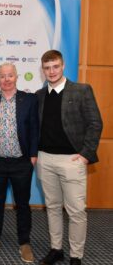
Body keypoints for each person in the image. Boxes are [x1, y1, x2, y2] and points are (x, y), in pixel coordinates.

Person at [36, 50, 102, 265]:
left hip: (72, 161)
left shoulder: (81, 91)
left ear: (63, 66)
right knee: (53, 208)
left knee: (76, 211)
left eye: (55, 66)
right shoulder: (39, 95)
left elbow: (95, 124)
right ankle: (56, 249)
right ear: (43, 70)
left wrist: (85, 155)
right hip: (45, 160)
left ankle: (76, 255)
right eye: (47, 68)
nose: (51, 71)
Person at [0, 63, 39, 262]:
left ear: (16, 77)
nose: (6, 79)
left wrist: (32, 155)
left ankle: (24, 243)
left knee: (22, 204)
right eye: (2, 76)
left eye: (10, 75)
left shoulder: (29, 100)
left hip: (21, 162)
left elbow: (33, 129)